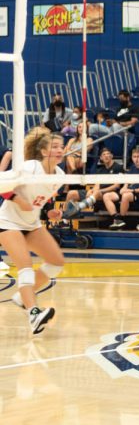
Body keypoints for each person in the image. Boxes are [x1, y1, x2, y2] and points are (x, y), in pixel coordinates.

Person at [0, 127, 67, 334]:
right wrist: (18, 200)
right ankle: (34, 314)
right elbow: (1, 183)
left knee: (56, 262)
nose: (59, 150)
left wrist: (51, 213)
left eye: (61, 147)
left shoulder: (60, 175)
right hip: (8, 222)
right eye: (54, 146)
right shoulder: (30, 167)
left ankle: (22, 297)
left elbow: (41, 201)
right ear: (44, 151)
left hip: (31, 224)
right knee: (26, 266)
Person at [64, 147, 122, 215]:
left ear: (112, 156)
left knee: (96, 193)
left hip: (110, 193)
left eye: (108, 154)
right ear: (101, 158)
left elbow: (116, 186)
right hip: (98, 192)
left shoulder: (118, 167)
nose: (106, 156)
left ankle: (81, 206)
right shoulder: (100, 170)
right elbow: (97, 185)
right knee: (71, 193)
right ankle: (65, 220)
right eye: (104, 154)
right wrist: (92, 191)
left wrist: (100, 191)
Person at [104, 148, 139, 229]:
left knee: (126, 195)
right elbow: (126, 182)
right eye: (134, 157)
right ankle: (116, 218)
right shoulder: (132, 168)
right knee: (107, 196)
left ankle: (122, 219)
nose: (136, 159)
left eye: (138, 156)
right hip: (128, 191)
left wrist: (132, 190)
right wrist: (124, 188)